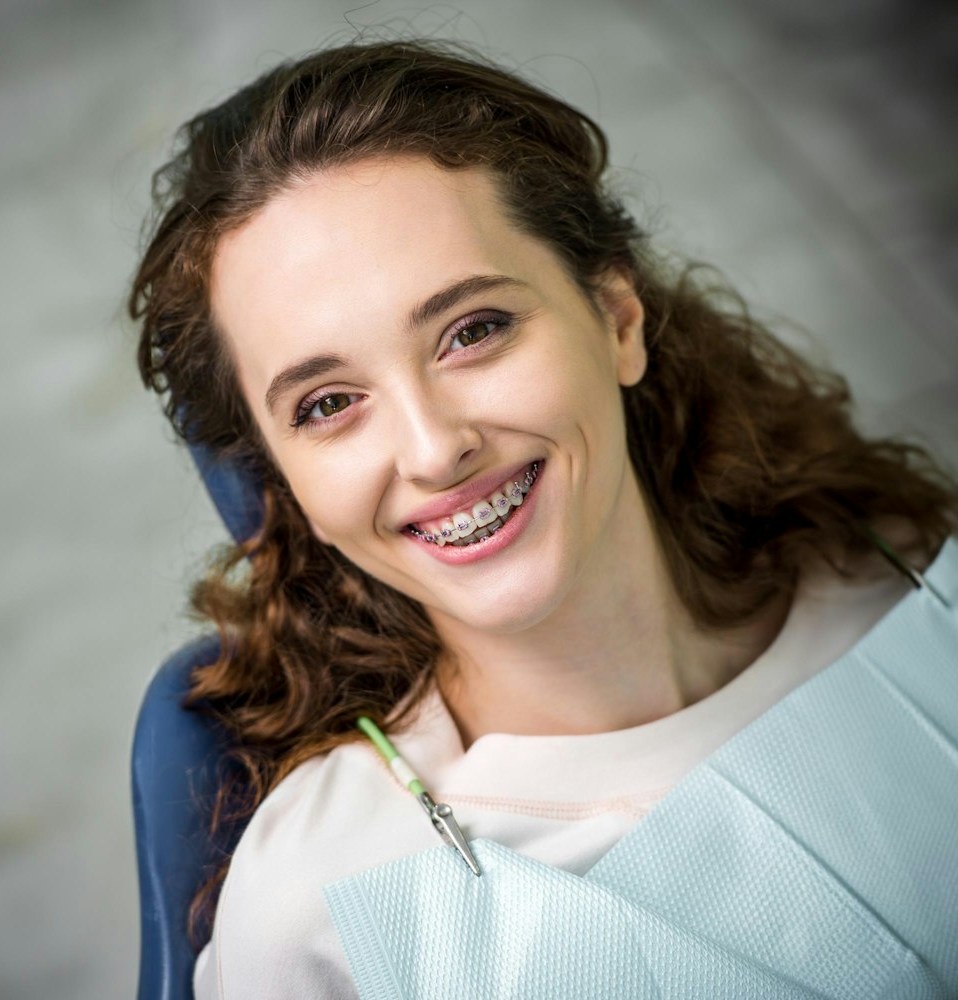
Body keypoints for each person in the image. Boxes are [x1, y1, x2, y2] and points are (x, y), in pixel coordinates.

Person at [128, 39, 958, 1000]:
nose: (435, 450)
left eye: (471, 331)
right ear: (286, 486)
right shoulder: (319, 917)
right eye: (326, 404)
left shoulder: (907, 587)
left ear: (617, 319)